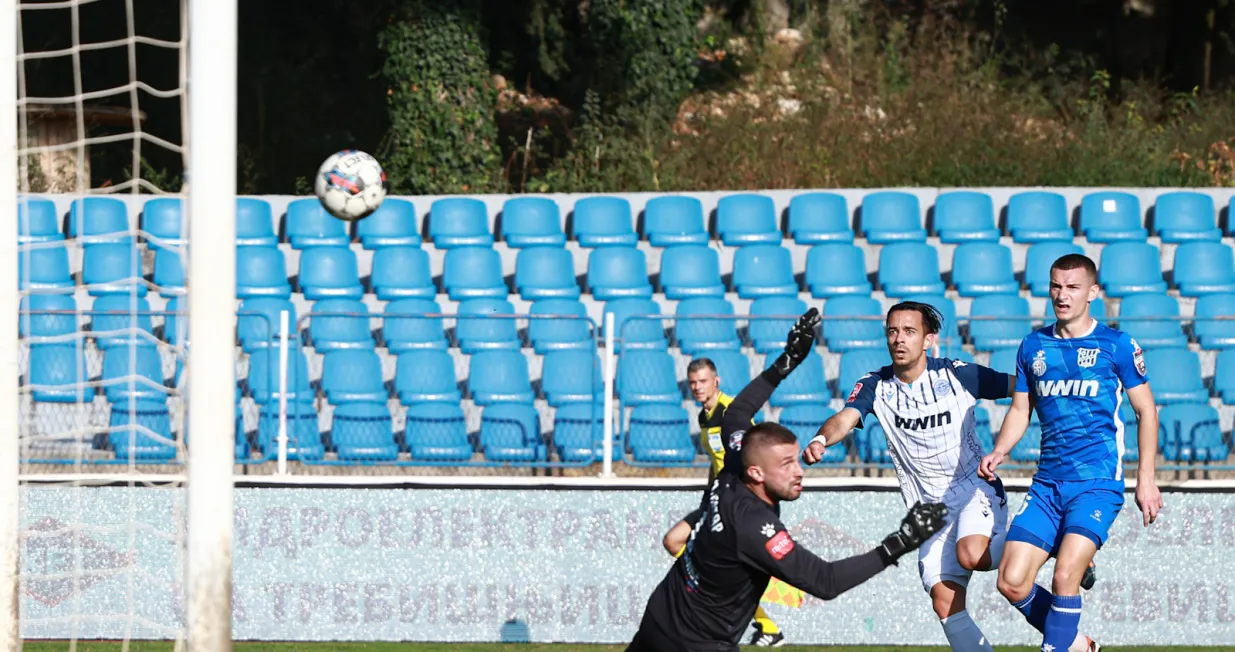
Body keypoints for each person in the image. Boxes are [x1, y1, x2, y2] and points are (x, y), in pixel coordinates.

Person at [627, 308, 949, 652]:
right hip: (695, 643)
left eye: (795, 460)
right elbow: (824, 582)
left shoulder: (736, 463)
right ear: (756, 473)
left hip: (661, 614)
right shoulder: (754, 525)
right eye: (785, 464)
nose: (798, 471)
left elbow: (736, 414)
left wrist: (789, 359)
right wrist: (900, 542)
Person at [801, 301, 1101, 652]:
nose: (899, 339)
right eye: (893, 331)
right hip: (929, 510)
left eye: (910, 331)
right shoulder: (875, 385)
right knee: (945, 603)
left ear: (928, 340)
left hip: (973, 488)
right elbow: (845, 417)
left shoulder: (957, 375)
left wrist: (1070, 405)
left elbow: (1023, 390)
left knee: (971, 553)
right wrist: (822, 438)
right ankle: (1078, 643)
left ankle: (1052, 542)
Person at [979, 253, 1164, 652]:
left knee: (1065, 578)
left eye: (1073, 287)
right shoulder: (1033, 346)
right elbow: (1020, 409)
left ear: (1092, 292)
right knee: (1010, 582)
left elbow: (1147, 411)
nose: (1063, 296)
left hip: (1096, 484)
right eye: (1056, 286)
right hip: (1047, 486)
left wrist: (1145, 479)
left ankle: (1056, 646)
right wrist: (1000, 450)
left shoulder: (1116, 346)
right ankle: (1075, 642)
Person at [660, 358, 790, 647]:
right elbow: (715, 460)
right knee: (673, 542)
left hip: (738, 504)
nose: (697, 387)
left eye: (703, 381)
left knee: (723, 569)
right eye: (693, 382)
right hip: (718, 500)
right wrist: (709, 493)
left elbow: (755, 454)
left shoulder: (733, 413)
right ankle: (764, 625)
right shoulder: (704, 417)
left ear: (716, 382)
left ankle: (764, 625)